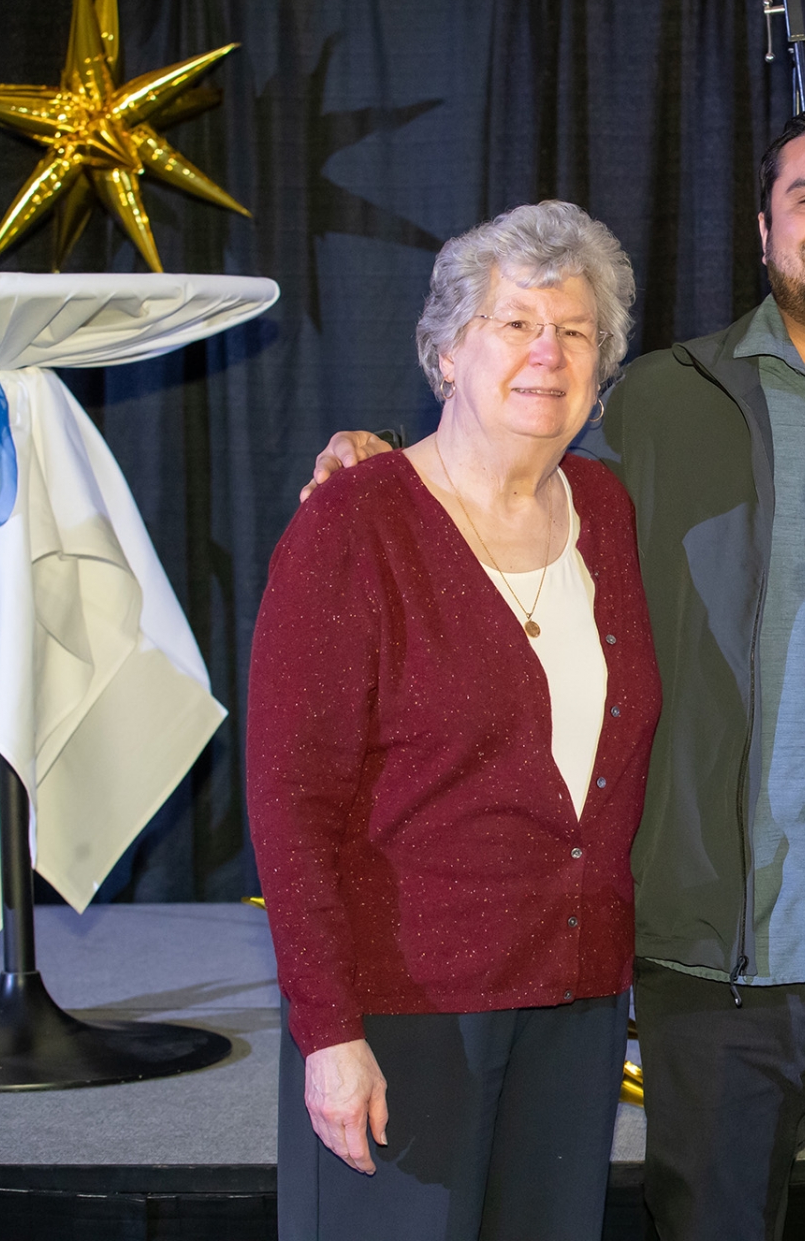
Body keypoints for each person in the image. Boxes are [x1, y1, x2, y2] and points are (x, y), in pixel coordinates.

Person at [301, 104, 805, 1241]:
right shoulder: (647, 403)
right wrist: (374, 461)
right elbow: (493, 480)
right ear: (761, 227)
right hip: (704, 956)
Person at [249, 200, 659, 1241]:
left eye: (575, 331)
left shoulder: (604, 511)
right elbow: (291, 802)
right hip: (407, 1006)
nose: (547, 353)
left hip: (573, 999)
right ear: (445, 351)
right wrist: (329, 1030)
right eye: (514, 324)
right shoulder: (351, 522)